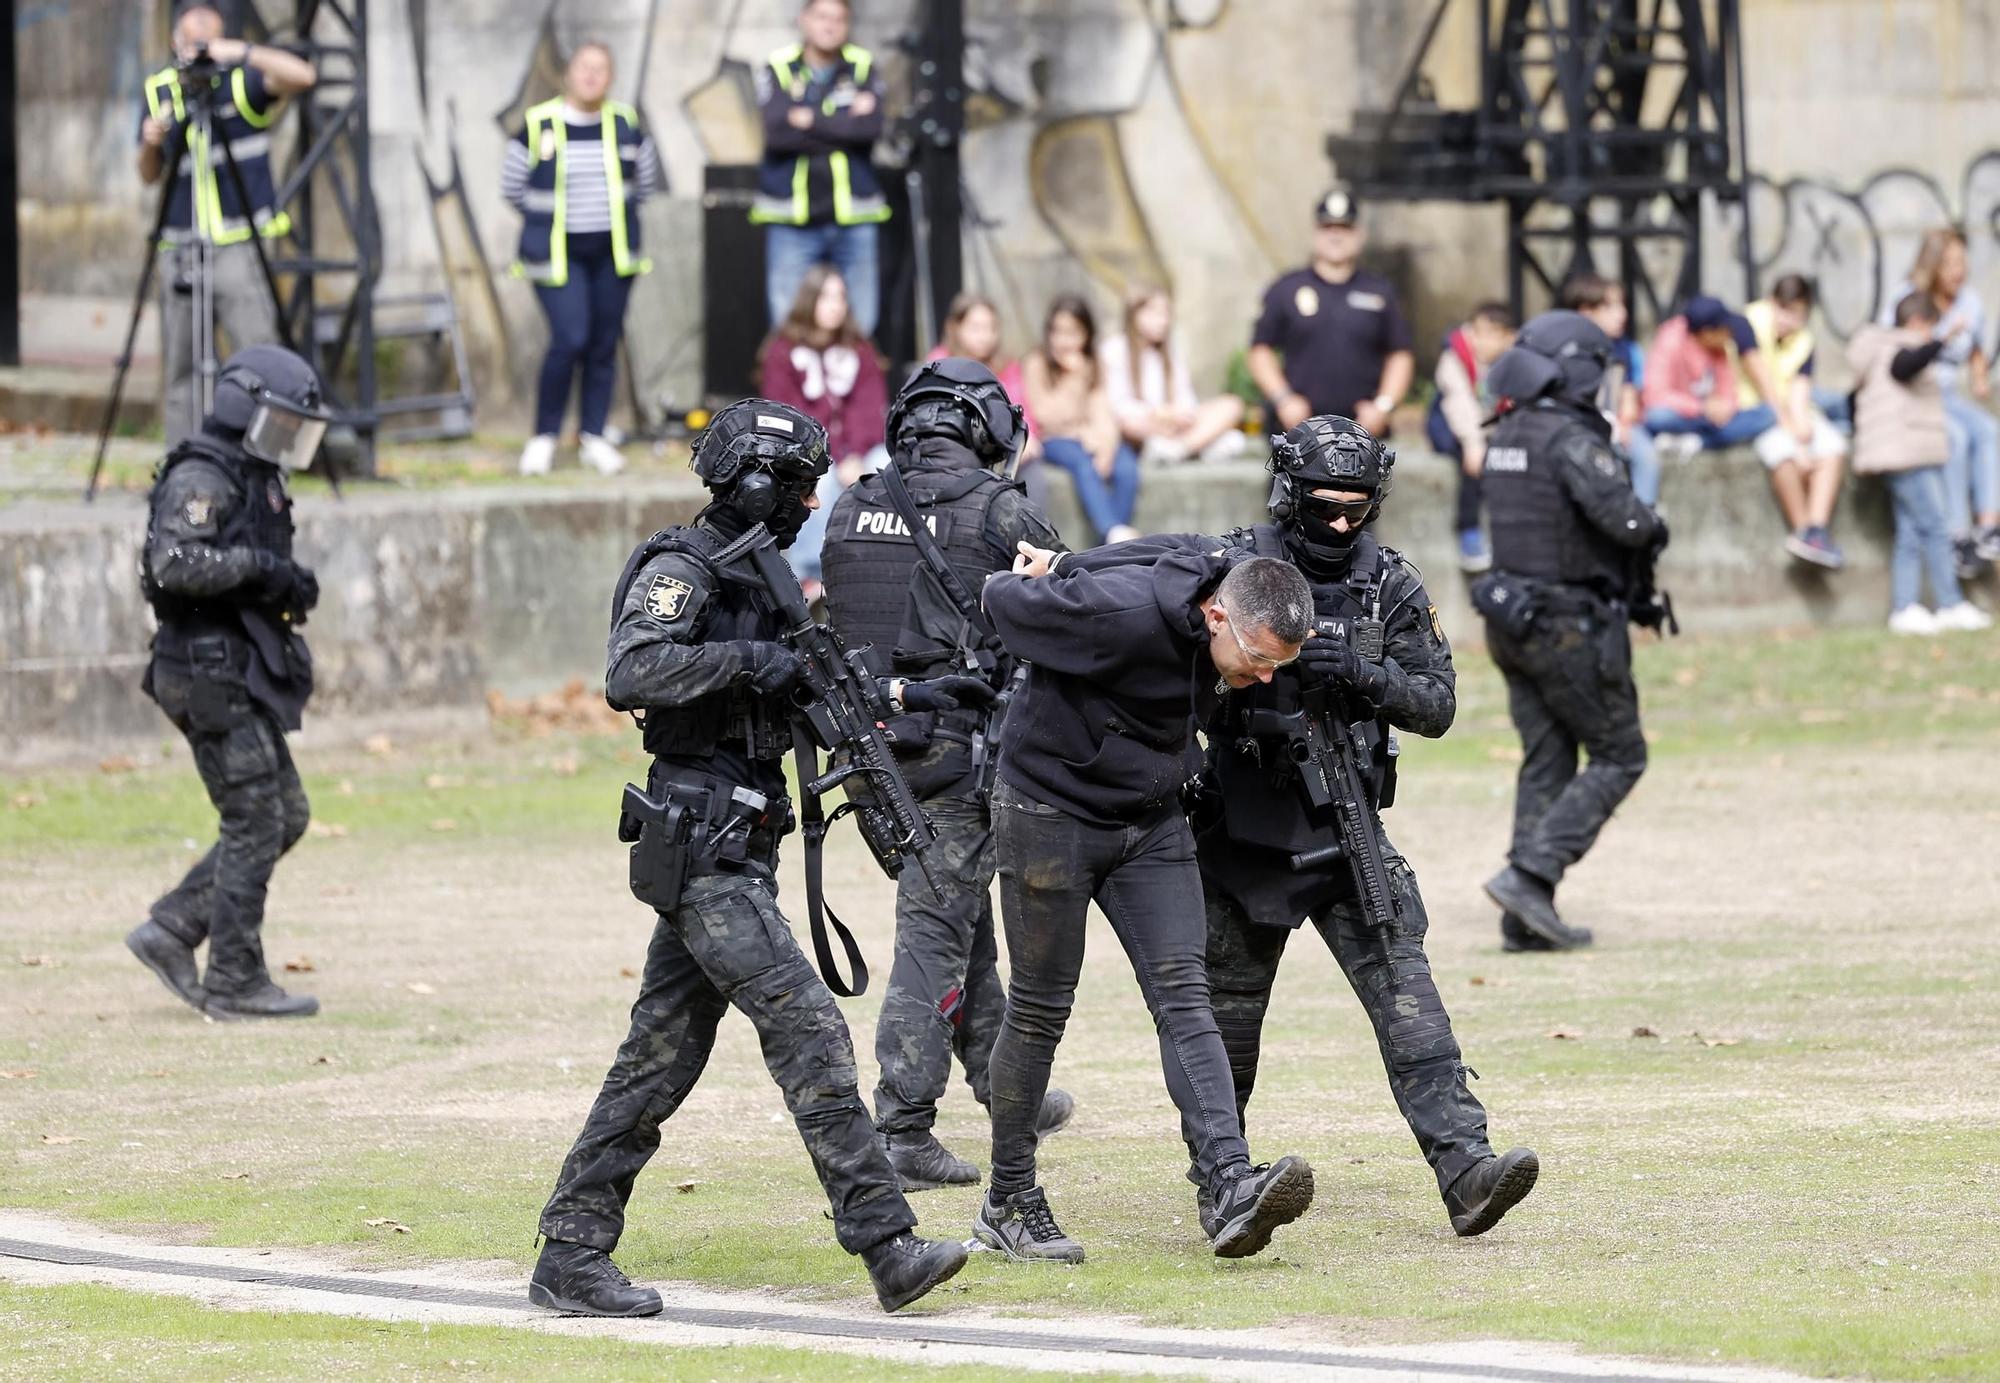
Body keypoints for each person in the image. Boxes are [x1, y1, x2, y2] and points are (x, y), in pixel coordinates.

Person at [530, 401, 974, 1319]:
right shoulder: (683, 568)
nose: (813, 501)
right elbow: (633, 672)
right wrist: (747, 662)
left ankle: (571, 1247)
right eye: (802, 484)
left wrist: (907, 693)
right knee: (809, 1026)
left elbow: (813, 689)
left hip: (739, 843)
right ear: (759, 483)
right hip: (702, 846)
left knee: (658, 1056)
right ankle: (887, 1244)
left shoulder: (768, 579)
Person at [1052, 417, 1541, 1238]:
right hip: (1238, 833)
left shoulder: (1389, 583)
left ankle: (1466, 1169)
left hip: (1344, 830)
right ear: (1289, 494)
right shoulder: (1232, 563)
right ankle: (1226, 1189)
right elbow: (1165, 654)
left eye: (1357, 510)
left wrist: (1359, 671)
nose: (1341, 527)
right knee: (1223, 1036)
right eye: (1324, 510)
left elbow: (1439, 703)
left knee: (1410, 1006)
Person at [972, 548, 1319, 1264]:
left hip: (1150, 819)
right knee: (1039, 1009)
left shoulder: (1211, 574)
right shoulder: (1119, 617)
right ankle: (1008, 1198)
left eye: (1277, 665)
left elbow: (1140, 552)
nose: (1262, 677)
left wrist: (1071, 557)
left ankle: (1228, 1180)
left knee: (1187, 995)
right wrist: (1037, 580)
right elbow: (1000, 602)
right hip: (1048, 807)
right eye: (1256, 657)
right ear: (1217, 614)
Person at [819, 358, 1076, 1190]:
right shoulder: (1004, 511)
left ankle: (1009, 1090)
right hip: (956, 757)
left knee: (962, 925)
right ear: (989, 429)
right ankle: (903, 1124)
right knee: (935, 932)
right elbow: (1069, 612)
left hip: (868, 762)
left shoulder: (852, 503)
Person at [124, 345, 331, 1021]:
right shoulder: (200, 474)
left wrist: (280, 582)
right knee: (254, 818)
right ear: (245, 404)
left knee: (285, 814)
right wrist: (258, 568)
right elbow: (174, 561)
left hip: (233, 667)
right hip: (205, 671)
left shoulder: (253, 472)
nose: (289, 437)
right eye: (282, 419)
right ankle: (234, 978)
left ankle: (174, 927)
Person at [1474, 312, 1669, 952]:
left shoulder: (1506, 432)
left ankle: (1522, 915)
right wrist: (1652, 523)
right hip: (1565, 625)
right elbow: (1627, 523)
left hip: (1513, 620)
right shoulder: (1567, 437)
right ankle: (1530, 876)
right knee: (1621, 754)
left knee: (1549, 756)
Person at [138, 2, 317, 446]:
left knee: (259, 361)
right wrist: (148, 144)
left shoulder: (240, 84)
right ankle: (184, 470)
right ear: (174, 40)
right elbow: (147, 174)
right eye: (190, 41)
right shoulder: (161, 90)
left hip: (238, 247)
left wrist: (240, 52)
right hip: (181, 247)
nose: (197, 52)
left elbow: (303, 77)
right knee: (181, 370)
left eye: (207, 41)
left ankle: (266, 469)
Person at [504, 41, 664, 478]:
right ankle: (544, 436)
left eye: (601, 68)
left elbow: (644, 184)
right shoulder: (539, 124)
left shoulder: (626, 124)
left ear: (610, 77)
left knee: (602, 344)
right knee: (570, 337)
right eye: (584, 67)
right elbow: (513, 186)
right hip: (557, 255)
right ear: (567, 74)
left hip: (612, 254)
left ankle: (593, 435)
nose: (592, 76)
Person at [1849, 294, 1994, 635]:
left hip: (1904, 452)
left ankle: (1905, 606)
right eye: (1931, 327)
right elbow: (1905, 365)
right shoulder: (1897, 347)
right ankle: (1949, 603)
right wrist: (1945, 338)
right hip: (1905, 455)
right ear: (1918, 324)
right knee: (1937, 526)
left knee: (1911, 532)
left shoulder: (1881, 349)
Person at [752, 0, 888, 337]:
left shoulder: (863, 65)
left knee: (862, 326)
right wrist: (843, 123)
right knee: (787, 326)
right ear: (804, 20)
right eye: (822, 17)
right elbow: (779, 135)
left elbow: (869, 130)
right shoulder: (779, 66)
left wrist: (809, 119)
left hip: (854, 218)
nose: (830, 26)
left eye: (839, 19)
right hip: (792, 220)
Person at [759, 265, 889, 592]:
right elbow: (786, 413)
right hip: (807, 453)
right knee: (817, 480)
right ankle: (810, 574)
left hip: (857, 450)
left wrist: (855, 454)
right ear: (809, 301)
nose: (835, 305)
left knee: (888, 469)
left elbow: (870, 407)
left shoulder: (860, 349)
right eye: (826, 297)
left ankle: (882, 564)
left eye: (841, 297)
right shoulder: (783, 350)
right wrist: (830, 455)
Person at [1249, 189, 1415, 439]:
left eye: (1345, 227)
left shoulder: (1380, 292)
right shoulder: (1287, 288)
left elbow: (1400, 354)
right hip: (1298, 431)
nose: (1336, 235)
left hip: (1362, 432)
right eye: (1328, 227)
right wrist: (1284, 399)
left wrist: (1383, 407)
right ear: (1316, 233)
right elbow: (1260, 350)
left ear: (1359, 235)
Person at [1883, 229, 2000, 578]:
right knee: (1956, 439)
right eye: (1949, 263)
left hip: (1948, 394)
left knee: (1988, 430)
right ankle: (1957, 535)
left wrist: (1979, 378)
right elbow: (1892, 353)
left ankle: (1988, 527)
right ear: (1932, 265)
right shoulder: (1909, 300)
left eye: (1962, 262)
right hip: (1915, 396)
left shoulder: (1970, 302)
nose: (1957, 271)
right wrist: (1938, 338)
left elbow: (1976, 347)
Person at [1736, 275, 1849, 570]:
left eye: (1797, 314)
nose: (1788, 320)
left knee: (1831, 446)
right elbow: (1765, 387)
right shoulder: (1748, 322)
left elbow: (1799, 392)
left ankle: (1816, 530)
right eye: (1784, 310)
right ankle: (1803, 530)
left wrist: (1802, 432)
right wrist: (1795, 442)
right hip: (1755, 412)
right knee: (1783, 454)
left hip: (1788, 411)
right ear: (1772, 303)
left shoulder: (1804, 340)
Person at [1022, 295, 1142, 544]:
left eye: (1073, 333)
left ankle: (1112, 540)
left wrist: (1106, 446)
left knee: (1126, 468)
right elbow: (1047, 415)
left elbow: (1102, 409)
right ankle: (1112, 531)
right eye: (1058, 332)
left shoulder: (1094, 362)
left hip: (1092, 436)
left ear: (1086, 335)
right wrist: (1075, 379)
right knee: (1084, 466)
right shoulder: (1038, 362)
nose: (1064, 341)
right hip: (1056, 440)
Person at [1100, 285, 1248, 465]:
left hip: (1175, 427)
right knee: (1129, 424)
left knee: (1232, 404)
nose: (1162, 321)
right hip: (1144, 425)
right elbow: (1117, 406)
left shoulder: (1171, 350)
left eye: (1165, 314)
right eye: (1154, 313)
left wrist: (1181, 414)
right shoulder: (1114, 350)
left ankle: (1179, 449)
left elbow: (1186, 397)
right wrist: (1159, 413)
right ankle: (1198, 445)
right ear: (1134, 314)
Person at [1424, 302, 1518, 572]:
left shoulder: (1513, 361)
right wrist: (1472, 443)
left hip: (1487, 423)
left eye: (1491, 334)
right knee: (1470, 466)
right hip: (1451, 424)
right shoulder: (1455, 357)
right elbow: (1459, 403)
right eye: (1476, 332)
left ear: (1508, 338)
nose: (1479, 341)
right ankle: (1469, 530)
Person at [1640, 295, 1782, 461]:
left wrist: (1726, 407)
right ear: (1707, 333)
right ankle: (1699, 438)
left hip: (1712, 420)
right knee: (1657, 417)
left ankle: (1696, 441)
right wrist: (1700, 408)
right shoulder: (1670, 341)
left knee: (1767, 415)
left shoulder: (1718, 346)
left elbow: (1729, 389)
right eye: (1725, 329)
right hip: (1684, 415)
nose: (1730, 333)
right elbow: (1655, 396)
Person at [1558, 273, 1656, 503]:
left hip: (1616, 423)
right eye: (1610, 307)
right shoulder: (1566, 349)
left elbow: (1630, 394)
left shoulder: (1625, 350)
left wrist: (1622, 422)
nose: (1623, 314)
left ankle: (1643, 518)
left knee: (1645, 455)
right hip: (1578, 424)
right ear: (1585, 311)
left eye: (1622, 305)